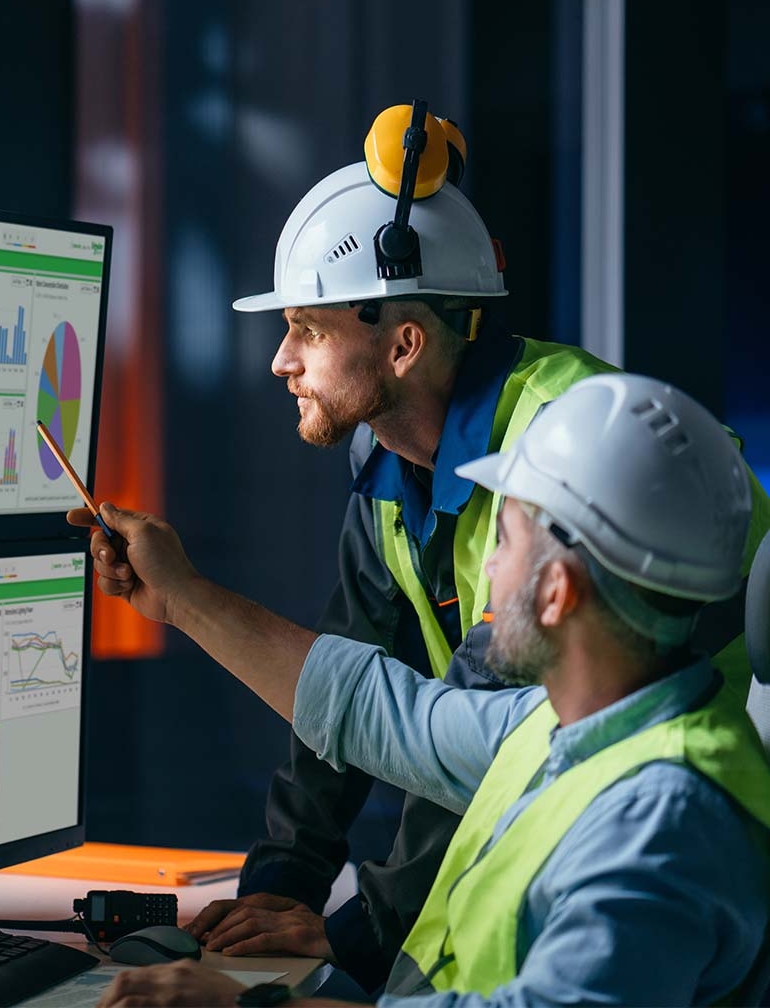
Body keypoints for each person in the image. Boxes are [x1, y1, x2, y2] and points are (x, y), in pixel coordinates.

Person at [179, 101, 767, 994]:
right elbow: (366, 693)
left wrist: (352, 936)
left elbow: (447, 741)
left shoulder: (562, 459)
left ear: (405, 342)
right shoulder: (391, 459)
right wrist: (276, 896)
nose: (280, 360)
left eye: (308, 328)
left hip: (636, 800)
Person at [72, 372, 770, 1008]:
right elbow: (381, 713)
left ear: (558, 592)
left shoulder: (662, 822)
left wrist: (238, 1006)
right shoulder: (572, 725)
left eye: (507, 537)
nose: (488, 563)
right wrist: (183, 598)